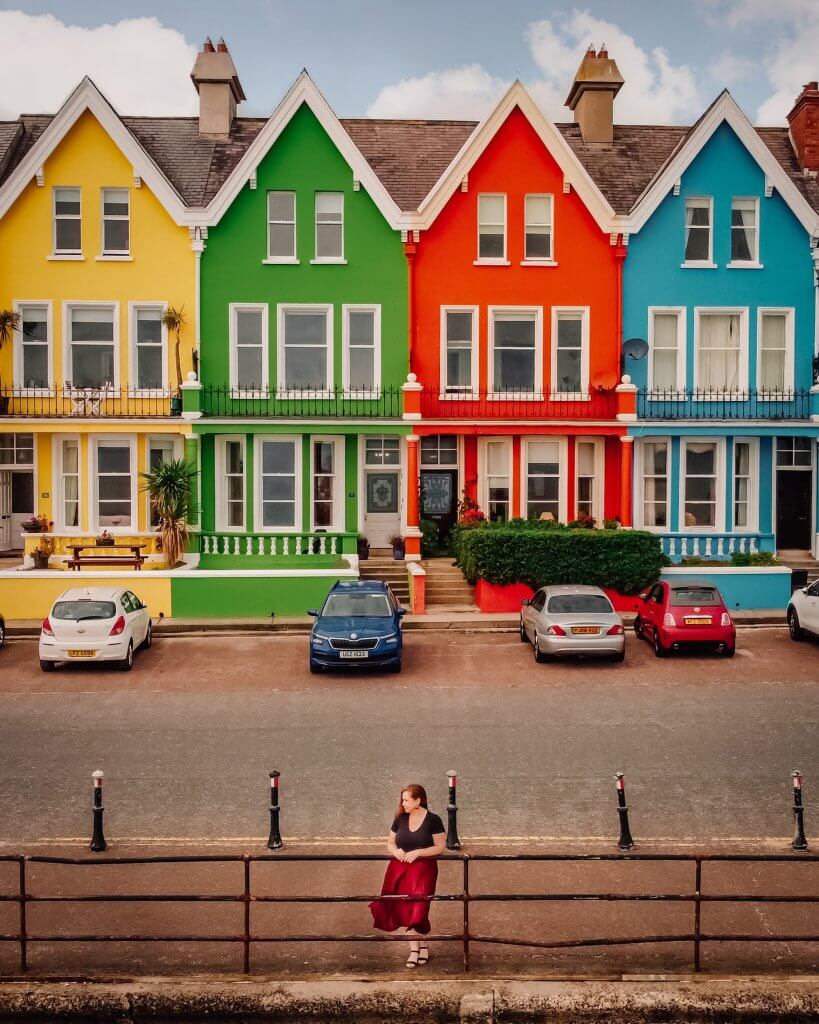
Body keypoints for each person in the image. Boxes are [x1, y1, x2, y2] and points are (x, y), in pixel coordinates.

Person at [369, 783, 446, 967]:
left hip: (424, 869)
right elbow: (390, 843)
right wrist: (396, 852)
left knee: (419, 909)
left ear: (418, 800)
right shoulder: (400, 818)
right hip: (399, 868)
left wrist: (418, 852)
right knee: (405, 909)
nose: (402, 803)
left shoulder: (433, 820)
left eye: (406, 800)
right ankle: (416, 949)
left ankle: (423, 946)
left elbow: (440, 847)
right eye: (402, 800)